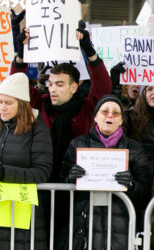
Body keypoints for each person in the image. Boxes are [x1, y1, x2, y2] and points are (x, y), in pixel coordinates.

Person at [10, 28, 112, 182]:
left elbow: (103, 86)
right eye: (50, 84)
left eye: (59, 84)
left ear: (74, 87)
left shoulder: (87, 108)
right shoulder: (41, 103)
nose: (52, 89)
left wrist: (89, 51)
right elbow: (16, 84)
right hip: (44, 181)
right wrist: (21, 54)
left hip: (77, 182)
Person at [61, 95, 151, 250]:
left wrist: (132, 186)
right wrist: (70, 179)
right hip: (85, 226)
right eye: (104, 111)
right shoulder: (77, 145)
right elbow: (60, 189)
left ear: (121, 120)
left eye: (116, 113)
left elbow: (145, 191)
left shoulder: (135, 149)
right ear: (95, 117)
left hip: (120, 228)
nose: (110, 115)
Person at [0, 73, 52, 250]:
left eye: (8, 103)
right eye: (0, 102)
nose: (2, 108)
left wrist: (4, 173)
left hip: (23, 214)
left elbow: (42, 172)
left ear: (22, 104)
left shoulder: (38, 130)